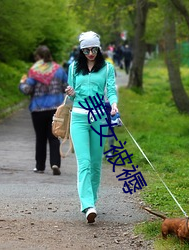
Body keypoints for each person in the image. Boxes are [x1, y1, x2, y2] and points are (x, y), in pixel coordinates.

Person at [65, 31, 118, 223]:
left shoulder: (107, 68)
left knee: (96, 163)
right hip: (78, 118)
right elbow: (71, 97)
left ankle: (92, 201)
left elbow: (111, 90)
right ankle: (87, 205)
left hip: (99, 119)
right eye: (86, 50)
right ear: (81, 50)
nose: (90, 53)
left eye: (94, 49)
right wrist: (70, 92)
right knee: (84, 162)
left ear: (99, 48)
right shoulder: (73, 68)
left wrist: (113, 104)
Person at [19, 45, 68, 175]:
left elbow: (27, 90)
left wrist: (22, 83)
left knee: (40, 138)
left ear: (38, 57)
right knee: (54, 137)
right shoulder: (59, 69)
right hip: (55, 109)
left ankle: (40, 166)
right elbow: (66, 87)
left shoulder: (34, 71)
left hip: (38, 109)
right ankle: (55, 163)